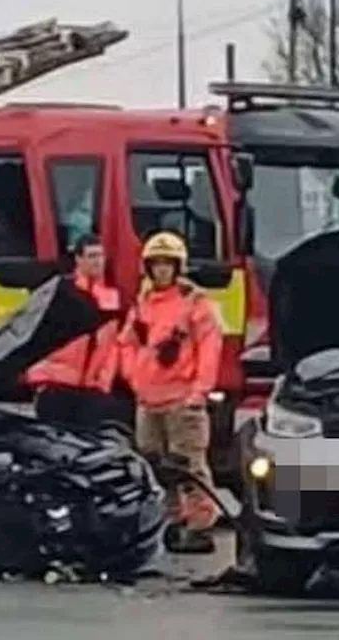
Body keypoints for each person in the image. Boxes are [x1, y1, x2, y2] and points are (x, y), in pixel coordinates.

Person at [119, 231, 223, 554]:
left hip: (183, 400)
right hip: (149, 401)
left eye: (168, 264)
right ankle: (173, 521)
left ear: (178, 267)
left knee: (188, 465)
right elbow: (126, 344)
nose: (162, 270)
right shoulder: (143, 304)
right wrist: (135, 378)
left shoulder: (196, 304)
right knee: (155, 464)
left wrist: (198, 392)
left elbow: (210, 350)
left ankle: (200, 524)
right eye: (156, 264)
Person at [26, 235, 124, 429]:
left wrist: (103, 382)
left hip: (90, 388)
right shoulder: (60, 291)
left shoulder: (112, 298)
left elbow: (113, 345)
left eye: (100, 256)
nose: (98, 261)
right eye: (92, 256)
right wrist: (41, 377)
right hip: (56, 383)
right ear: (78, 259)